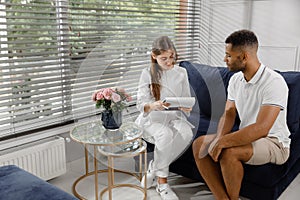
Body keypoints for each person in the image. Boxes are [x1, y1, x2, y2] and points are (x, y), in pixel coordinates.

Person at [192, 29, 291, 200]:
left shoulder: (274, 82)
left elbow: (262, 129)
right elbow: (229, 112)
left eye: (229, 55)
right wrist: (218, 138)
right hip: (248, 136)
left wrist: (222, 142)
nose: (225, 60)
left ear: (244, 57)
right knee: (199, 144)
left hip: (274, 142)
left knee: (229, 152)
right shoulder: (235, 80)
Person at [135, 36, 194, 200]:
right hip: (151, 119)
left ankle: (153, 167)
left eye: (172, 57)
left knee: (187, 133)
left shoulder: (182, 72)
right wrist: (155, 105)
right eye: (164, 58)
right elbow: (141, 105)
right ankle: (162, 183)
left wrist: (185, 106)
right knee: (165, 135)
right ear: (154, 56)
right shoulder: (147, 73)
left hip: (173, 116)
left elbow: (185, 97)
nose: (169, 62)